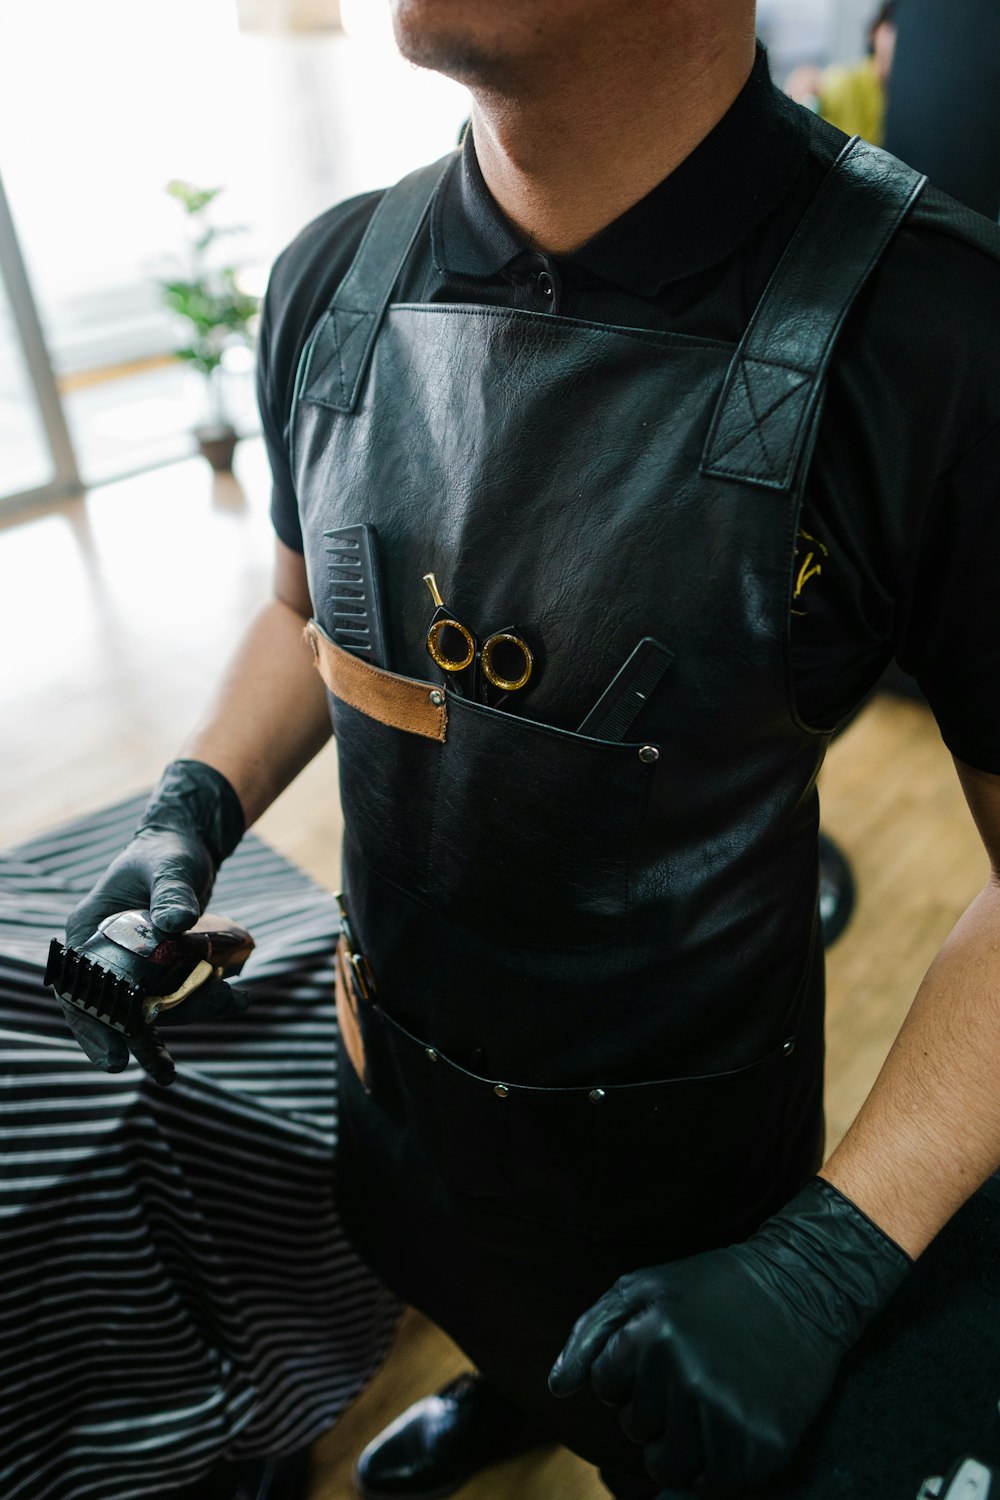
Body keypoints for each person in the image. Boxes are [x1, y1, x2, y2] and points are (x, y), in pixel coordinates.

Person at [57, 2, 1000, 1497]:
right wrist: (193, 805)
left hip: (684, 1156)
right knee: (477, 1292)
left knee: (665, 1421)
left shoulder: (940, 330)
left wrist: (832, 1257)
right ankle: (513, 1394)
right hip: (409, 1081)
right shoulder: (331, 278)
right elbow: (306, 608)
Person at [786, 2, 896, 145]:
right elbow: (804, 99)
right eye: (893, 30)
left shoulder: (904, 95)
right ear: (875, 32)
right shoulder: (842, 82)